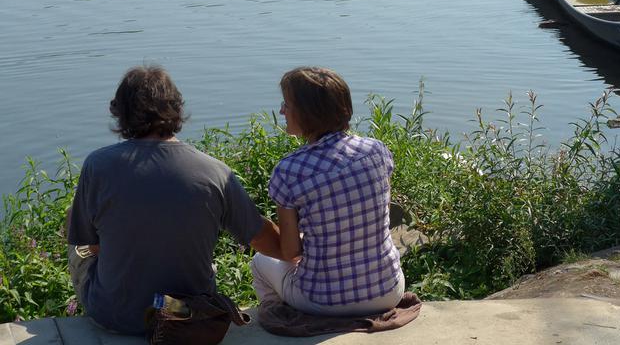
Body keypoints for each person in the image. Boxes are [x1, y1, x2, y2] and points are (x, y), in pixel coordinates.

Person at [66, 65, 283, 334]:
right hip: (183, 313)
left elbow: (91, 245)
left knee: (78, 244)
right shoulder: (214, 171)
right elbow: (264, 239)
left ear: (120, 112)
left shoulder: (97, 166)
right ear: (176, 109)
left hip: (119, 314)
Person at [251, 67, 404, 316]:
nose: (281, 111)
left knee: (260, 263)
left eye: (287, 105)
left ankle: (277, 317)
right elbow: (377, 217)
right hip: (388, 291)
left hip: (322, 301)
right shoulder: (376, 151)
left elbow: (290, 252)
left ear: (306, 113)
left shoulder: (290, 170)